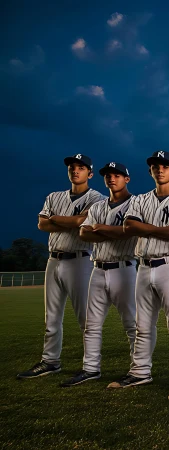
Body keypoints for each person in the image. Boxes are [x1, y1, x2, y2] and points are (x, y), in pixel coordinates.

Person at [106, 151, 169, 399]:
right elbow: (129, 227)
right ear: (150, 171)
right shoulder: (140, 199)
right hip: (143, 266)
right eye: (155, 166)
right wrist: (160, 230)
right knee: (142, 325)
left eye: (165, 166)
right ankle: (140, 372)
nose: (160, 169)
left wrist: (148, 229)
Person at [18, 154, 105, 379]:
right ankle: (50, 361)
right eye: (72, 168)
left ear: (90, 173)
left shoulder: (97, 198)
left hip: (81, 261)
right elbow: (42, 224)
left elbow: (83, 223)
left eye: (81, 168)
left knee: (85, 317)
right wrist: (70, 221)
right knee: (51, 317)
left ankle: (90, 366)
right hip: (53, 260)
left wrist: (56, 218)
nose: (75, 171)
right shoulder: (54, 196)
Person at [61, 162, 138, 387]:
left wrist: (101, 229)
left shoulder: (137, 203)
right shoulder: (98, 206)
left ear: (127, 179)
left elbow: (129, 233)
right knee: (92, 325)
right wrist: (110, 231)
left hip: (125, 269)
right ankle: (90, 369)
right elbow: (84, 233)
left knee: (132, 324)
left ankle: (138, 369)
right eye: (108, 175)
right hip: (98, 268)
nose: (111, 179)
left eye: (117, 175)